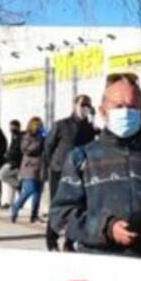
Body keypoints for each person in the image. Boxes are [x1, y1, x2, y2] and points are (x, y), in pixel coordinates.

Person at [49, 73, 141, 261]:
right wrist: (106, 228)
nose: (126, 112)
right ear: (103, 111)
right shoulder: (82, 159)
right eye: (119, 106)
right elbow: (61, 215)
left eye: (132, 107)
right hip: (101, 266)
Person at [43, 96, 96, 249]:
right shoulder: (61, 125)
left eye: (88, 105)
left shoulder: (89, 127)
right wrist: (51, 165)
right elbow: (48, 146)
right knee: (57, 205)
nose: (84, 108)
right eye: (82, 104)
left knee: (79, 207)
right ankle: (51, 238)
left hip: (80, 172)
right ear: (75, 105)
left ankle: (69, 241)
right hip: (59, 170)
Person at [11, 116, 46, 223]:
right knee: (29, 190)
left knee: (38, 193)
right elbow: (27, 150)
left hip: (41, 168)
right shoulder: (27, 136)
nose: (40, 127)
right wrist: (39, 141)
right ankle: (15, 207)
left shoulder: (43, 137)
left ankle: (34, 215)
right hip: (29, 167)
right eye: (38, 125)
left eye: (41, 125)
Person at [0, 119, 24, 209]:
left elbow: (18, 151)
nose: (11, 128)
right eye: (10, 126)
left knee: (1, 175)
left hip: (15, 163)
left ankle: (19, 186)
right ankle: (9, 202)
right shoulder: (13, 136)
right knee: (9, 183)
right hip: (11, 161)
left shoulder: (21, 136)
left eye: (13, 126)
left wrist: (9, 155)